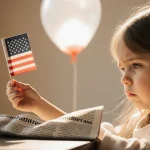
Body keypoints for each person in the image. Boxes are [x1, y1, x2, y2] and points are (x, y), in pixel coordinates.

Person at [5, 2, 150, 149]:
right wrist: (39, 105)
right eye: (122, 68)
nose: (124, 79)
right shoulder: (139, 120)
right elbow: (104, 137)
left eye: (135, 65)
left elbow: (119, 145)